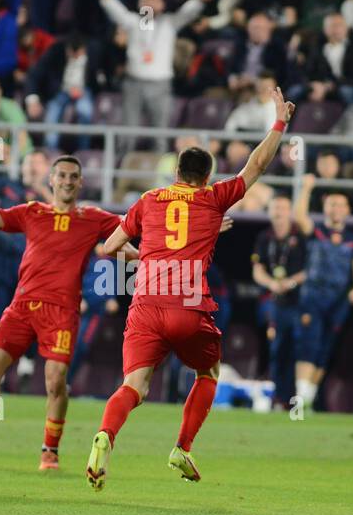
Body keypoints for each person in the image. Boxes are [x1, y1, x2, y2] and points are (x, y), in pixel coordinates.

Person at [85, 88, 296, 489]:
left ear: (177, 172)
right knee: (208, 371)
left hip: (145, 303)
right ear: (206, 177)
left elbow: (109, 247)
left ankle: (105, 436)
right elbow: (256, 165)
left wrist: (145, 256)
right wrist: (279, 122)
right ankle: (182, 447)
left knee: (134, 385)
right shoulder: (214, 199)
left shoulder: (149, 200)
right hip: (187, 304)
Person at [0, 156, 132, 471]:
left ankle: (50, 451)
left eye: (73, 176)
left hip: (61, 311)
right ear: (51, 180)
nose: (66, 181)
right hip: (22, 305)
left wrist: (153, 252)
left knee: (54, 380)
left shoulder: (92, 218)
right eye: (61, 175)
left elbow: (132, 225)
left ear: (80, 182)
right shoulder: (32, 211)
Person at [94, 0, 213, 152]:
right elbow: (118, 12)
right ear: (139, 4)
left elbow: (188, 12)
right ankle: (120, 175)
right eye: (145, 0)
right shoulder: (135, 22)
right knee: (127, 133)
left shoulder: (170, 23)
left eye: (154, 0)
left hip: (160, 85)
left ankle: (159, 175)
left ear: (162, 4)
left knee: (160, 134)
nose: (149, 3)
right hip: (134, 83)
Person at [292, 174, 353, 410]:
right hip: (313, 295)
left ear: (348, 210)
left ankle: (308, 400)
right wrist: (306, 189)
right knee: (309, 344)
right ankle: (300, 399)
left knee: (326, 348)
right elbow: (299, 217)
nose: (336, 208)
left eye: (341, 204)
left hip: (338, 299)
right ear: (324, 206)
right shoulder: (317, 230)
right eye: (332, 203)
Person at [251, 195, 307, 408]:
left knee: (298, 349)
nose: (278, 212)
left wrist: (291, 282)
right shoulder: (264, 237)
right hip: (276, 302)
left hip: (299, 301)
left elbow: (310, 269)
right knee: (276, 349)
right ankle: (278, 397)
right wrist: (272, 284)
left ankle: (299, 399)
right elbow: (257, 270)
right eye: (275, 208)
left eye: (283, 208)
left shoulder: (300, 236)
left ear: (290, 211)